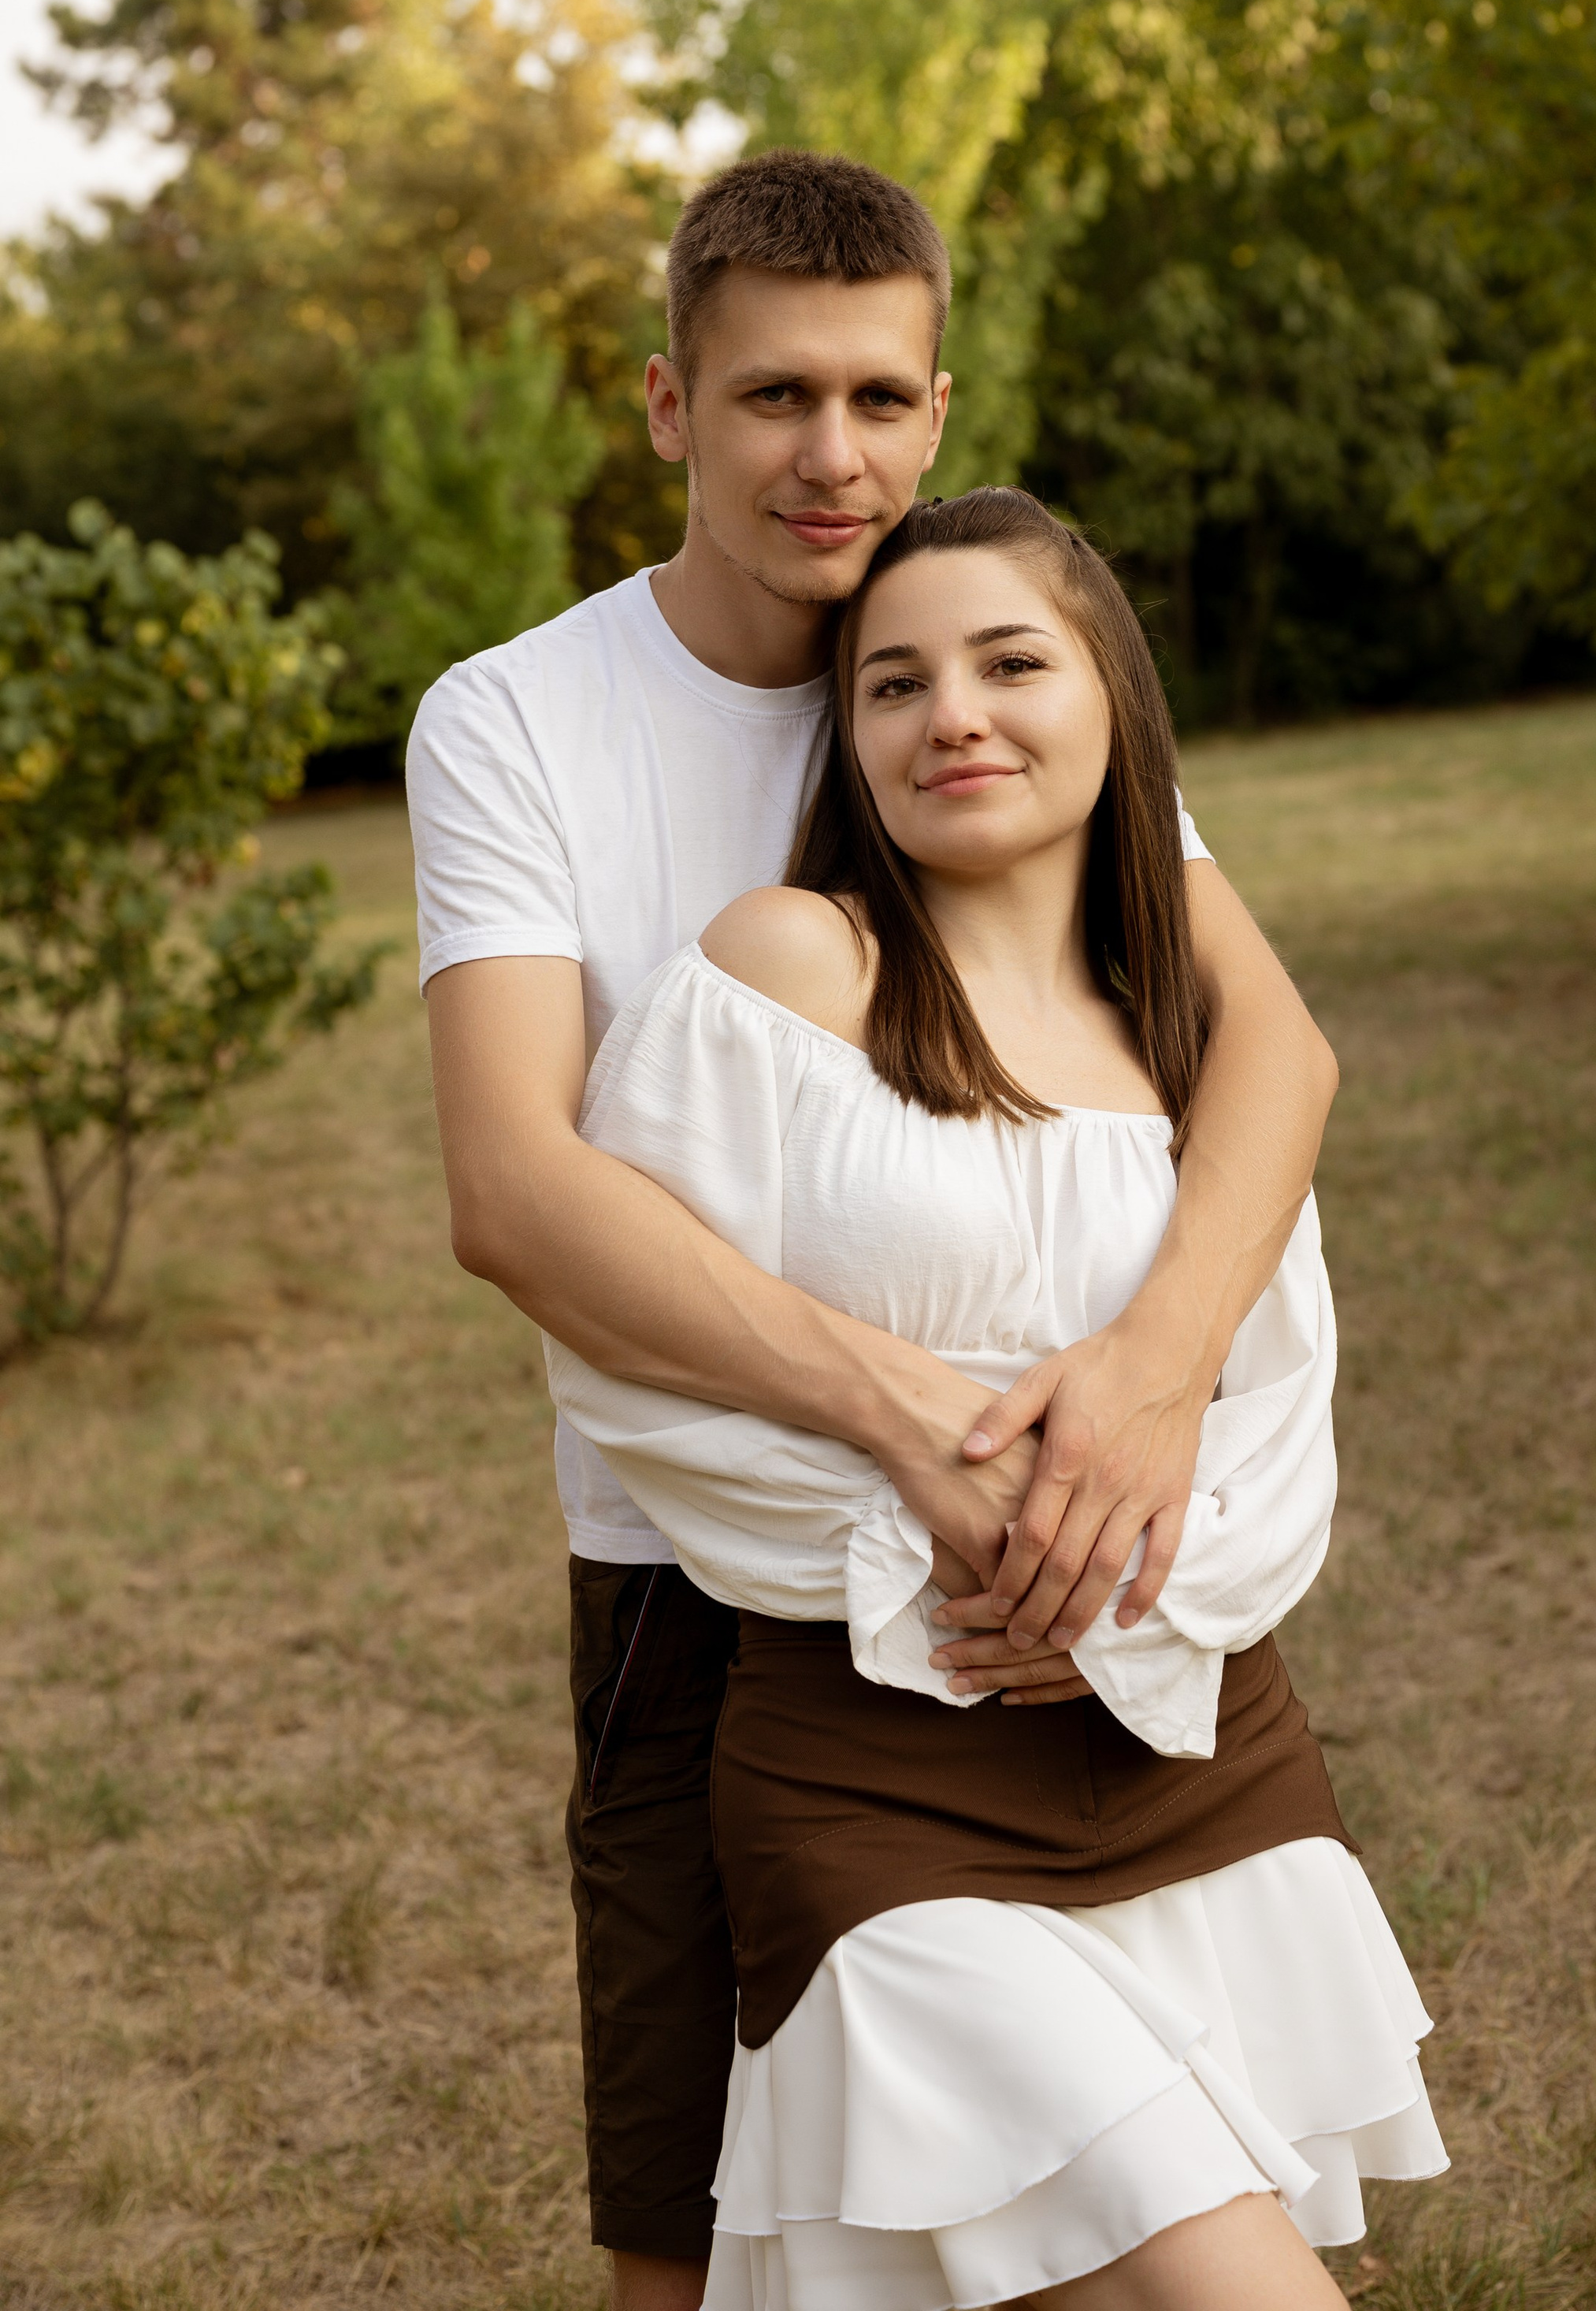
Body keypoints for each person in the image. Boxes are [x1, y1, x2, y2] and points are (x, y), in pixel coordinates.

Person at [411, 151, 1344, 2310]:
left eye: (879, 400)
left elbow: (1267, 1056)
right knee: (704, 2225)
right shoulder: (520, 721)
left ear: (937, 404)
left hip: (1070, 1545)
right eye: (769, 399)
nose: (830, 457)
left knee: (1117, 2192)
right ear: (669, 405)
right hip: (705, 1563)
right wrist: (913, 1430)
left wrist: (1145, 1382)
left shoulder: (989, 660)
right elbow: (517, 1189)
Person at [551, 485, 1447, 2309]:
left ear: (1113, 700)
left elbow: (1273, 1397)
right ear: (852, 740)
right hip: (878, 1783)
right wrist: (962, 1547)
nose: (949, 711)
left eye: (1007, 662)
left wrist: (1135, 1591)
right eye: (891, 683)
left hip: (1199, 1761)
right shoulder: (788, 971)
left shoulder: (1182, 1035)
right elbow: (628, 1347)